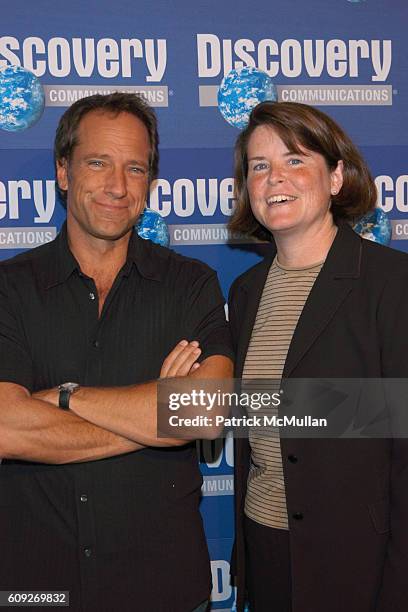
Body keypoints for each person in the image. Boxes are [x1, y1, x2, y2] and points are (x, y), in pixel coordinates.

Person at [0, 92, 233, 612]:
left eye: (135, 168)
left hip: (164, 591)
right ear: (64, 172)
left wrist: (64, 397)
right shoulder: (9, 289)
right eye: (98, 163)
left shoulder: (191, 284)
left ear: (150, 183)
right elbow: (6, 428)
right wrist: (156, 418)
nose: (117, 186)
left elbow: (207, 413)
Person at [227, 101, 408, 612]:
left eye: (295, 160)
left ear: (336, 177)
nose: (273, 178)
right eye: (258, 166)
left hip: (359, 564)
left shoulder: (391, 284)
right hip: (265, 548)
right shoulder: (246, 292)